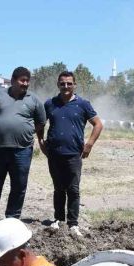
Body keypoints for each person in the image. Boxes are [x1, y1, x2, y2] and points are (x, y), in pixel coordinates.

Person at [43, 71, 103, 236]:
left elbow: (98, 124)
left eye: (69, 83)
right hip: (54, 153)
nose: (66, 86)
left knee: (73, 189)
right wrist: (41, 142)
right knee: (58, 188)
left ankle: (73, 224)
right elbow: (40, 124)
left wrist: (89, 144)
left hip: (74, 154)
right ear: (58, 85)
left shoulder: (83, 104)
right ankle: (58, 220)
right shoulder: (50, 104)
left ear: (74, 85)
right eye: (62, 83)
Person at [0, 67, 46, 219]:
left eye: (27, 81)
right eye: (22, 80)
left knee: (19, 185)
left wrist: (27, 132)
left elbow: (41, 122)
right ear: (12, 80)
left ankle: (12, 217)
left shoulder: (34, 99)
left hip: (22, 151)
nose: (25, 83)